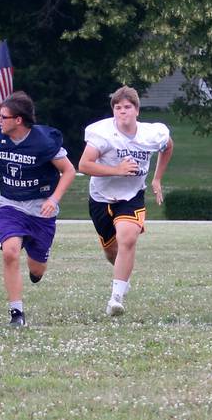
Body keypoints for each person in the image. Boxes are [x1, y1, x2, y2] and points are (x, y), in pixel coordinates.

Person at [0, 92, 76, 327]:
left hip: (41, 209)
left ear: (18, 120)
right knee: (9, 253)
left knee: (36, 269)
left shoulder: (44, 141)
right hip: (10, 204)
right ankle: (16, 313)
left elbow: (69, 171)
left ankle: (36, 265)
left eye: (3, 116)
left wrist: (54, 199)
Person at [78, 85, 173, 317]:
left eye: (127, 107)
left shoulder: (152, 134)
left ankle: (116, 298)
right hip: (101, 198)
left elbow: (168, 146)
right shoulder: (102, 134)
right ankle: (123, 276)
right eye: (118, 107)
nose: (122, 112)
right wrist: (116, 169)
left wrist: (157, 178)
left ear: (137, 110)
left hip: (131, 196)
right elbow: (83, 165)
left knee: (127, 239)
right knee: (112, 252)